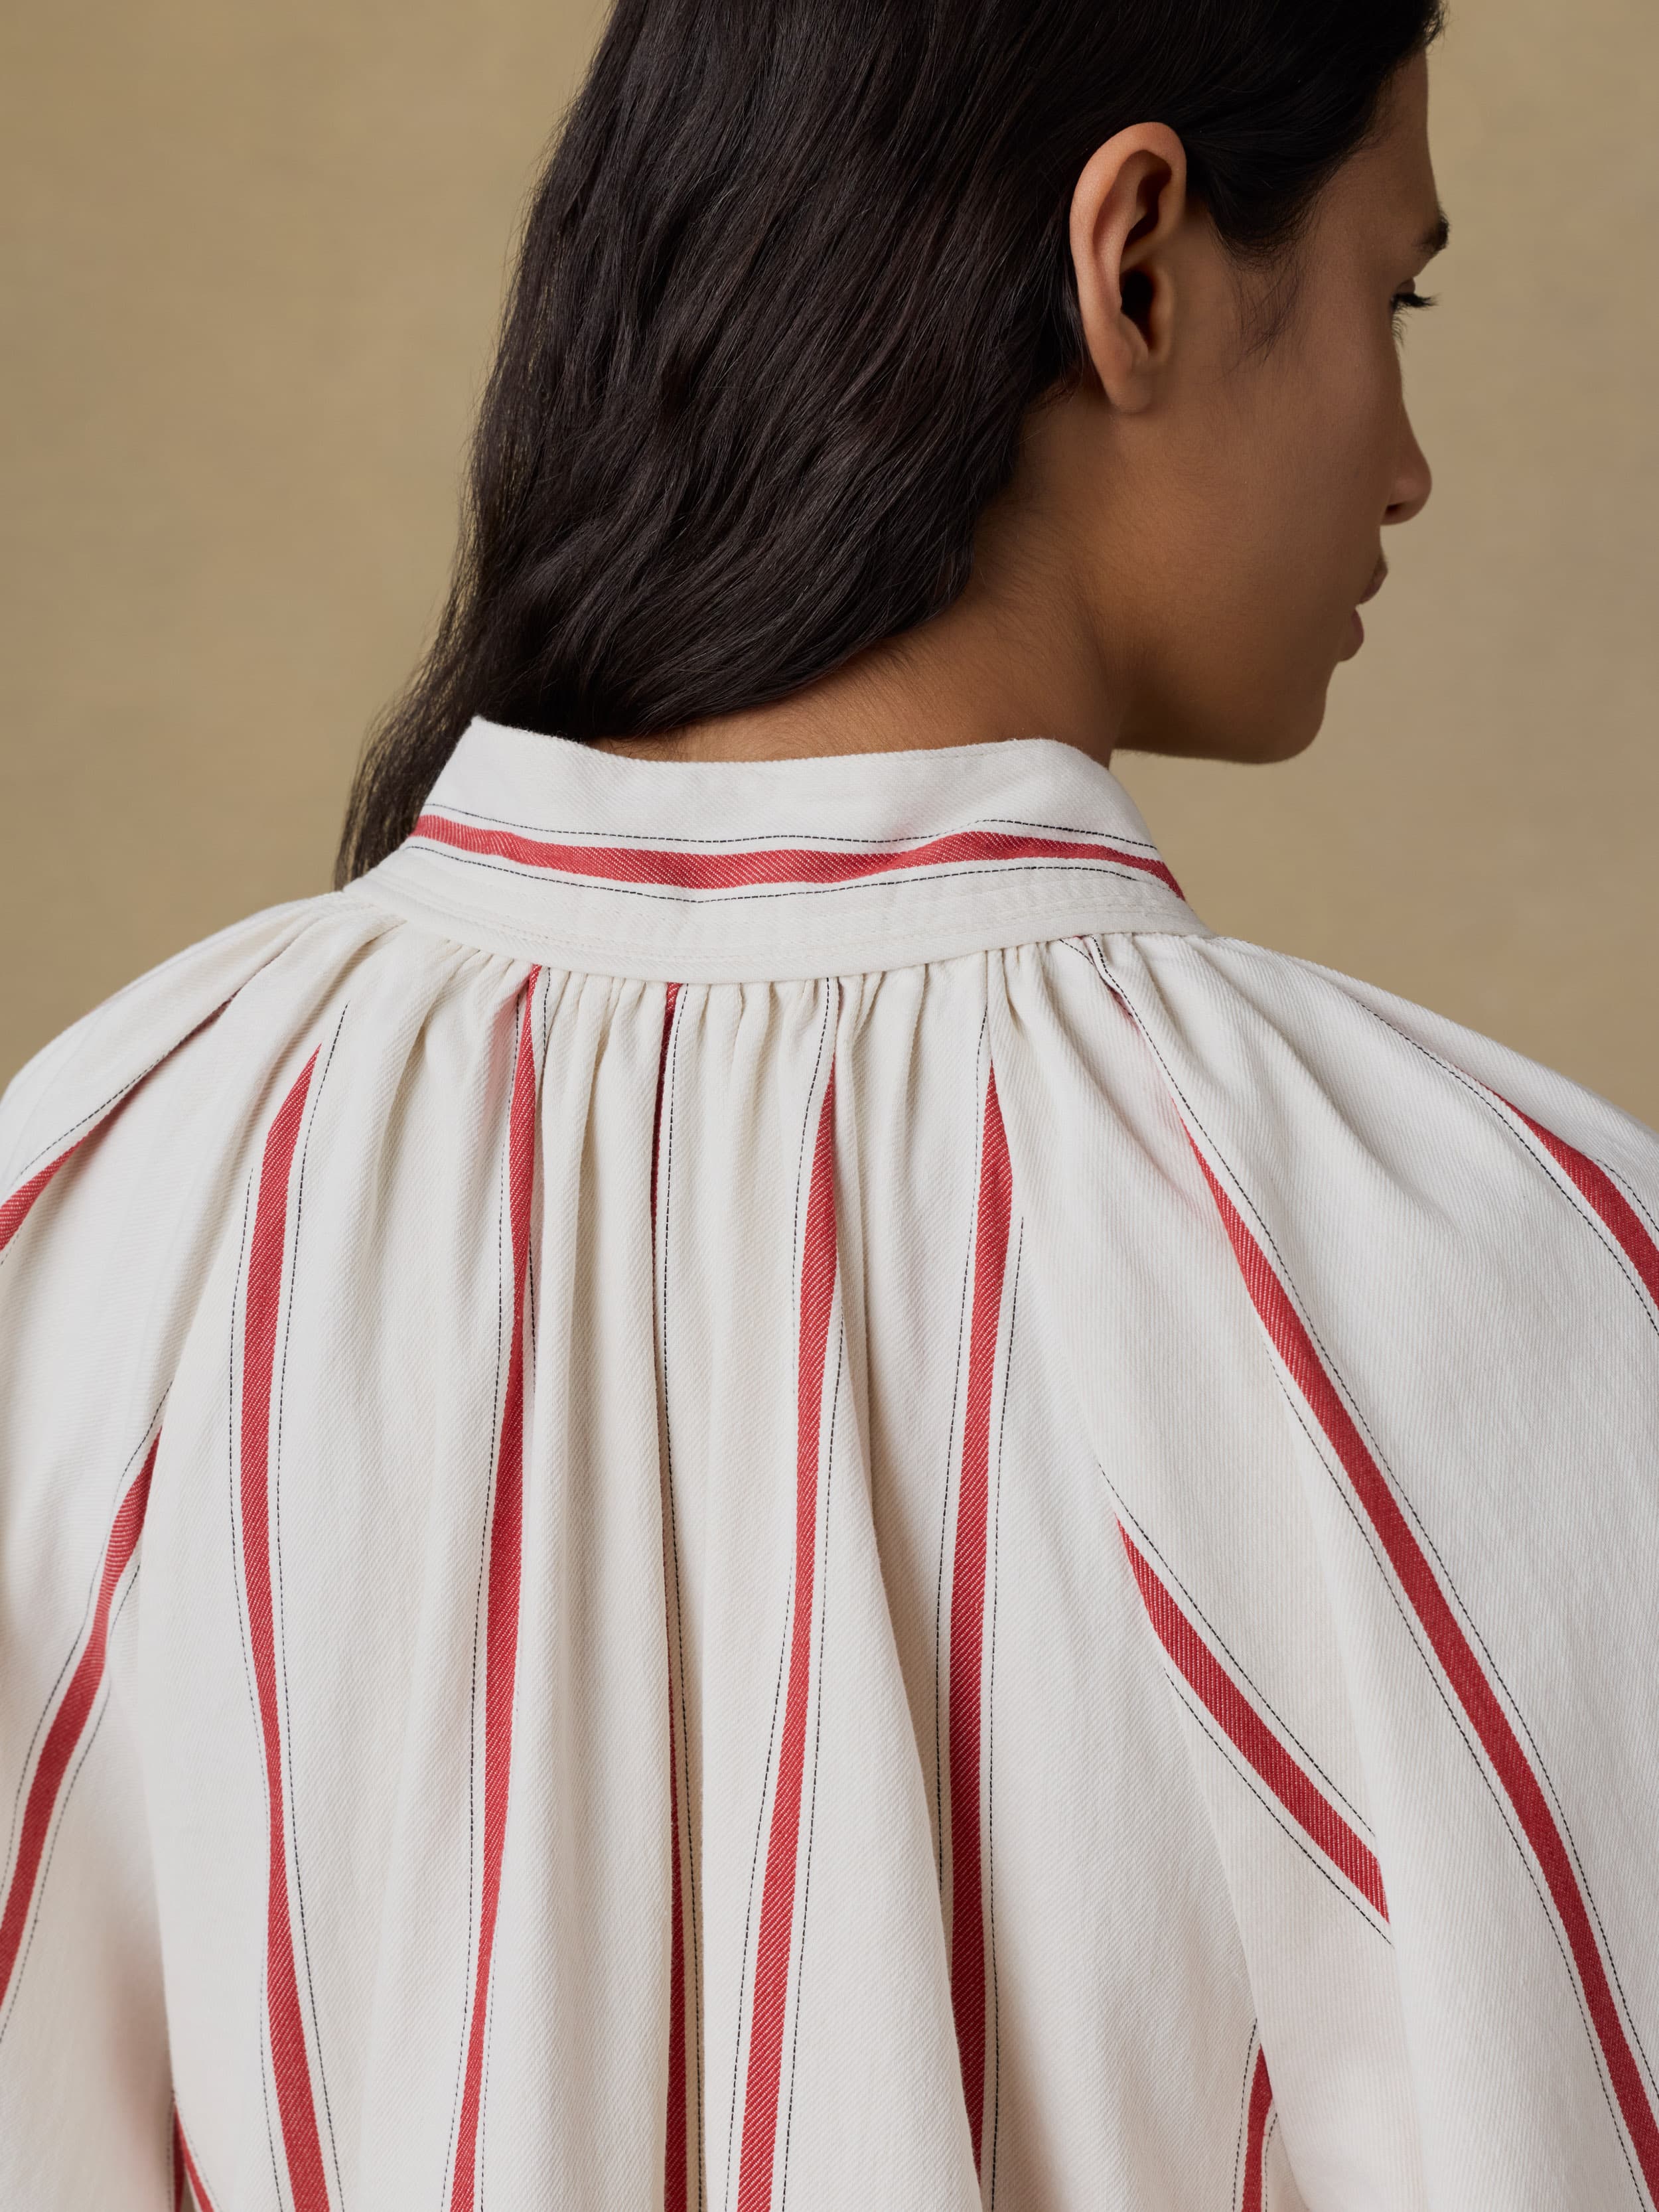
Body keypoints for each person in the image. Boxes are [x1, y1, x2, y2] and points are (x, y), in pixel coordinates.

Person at [2, 1, 1655, 2205]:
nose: (1405, 461)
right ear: (1133, 261)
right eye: (1393, 290)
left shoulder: (94, 1210)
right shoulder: (1519, 1261)